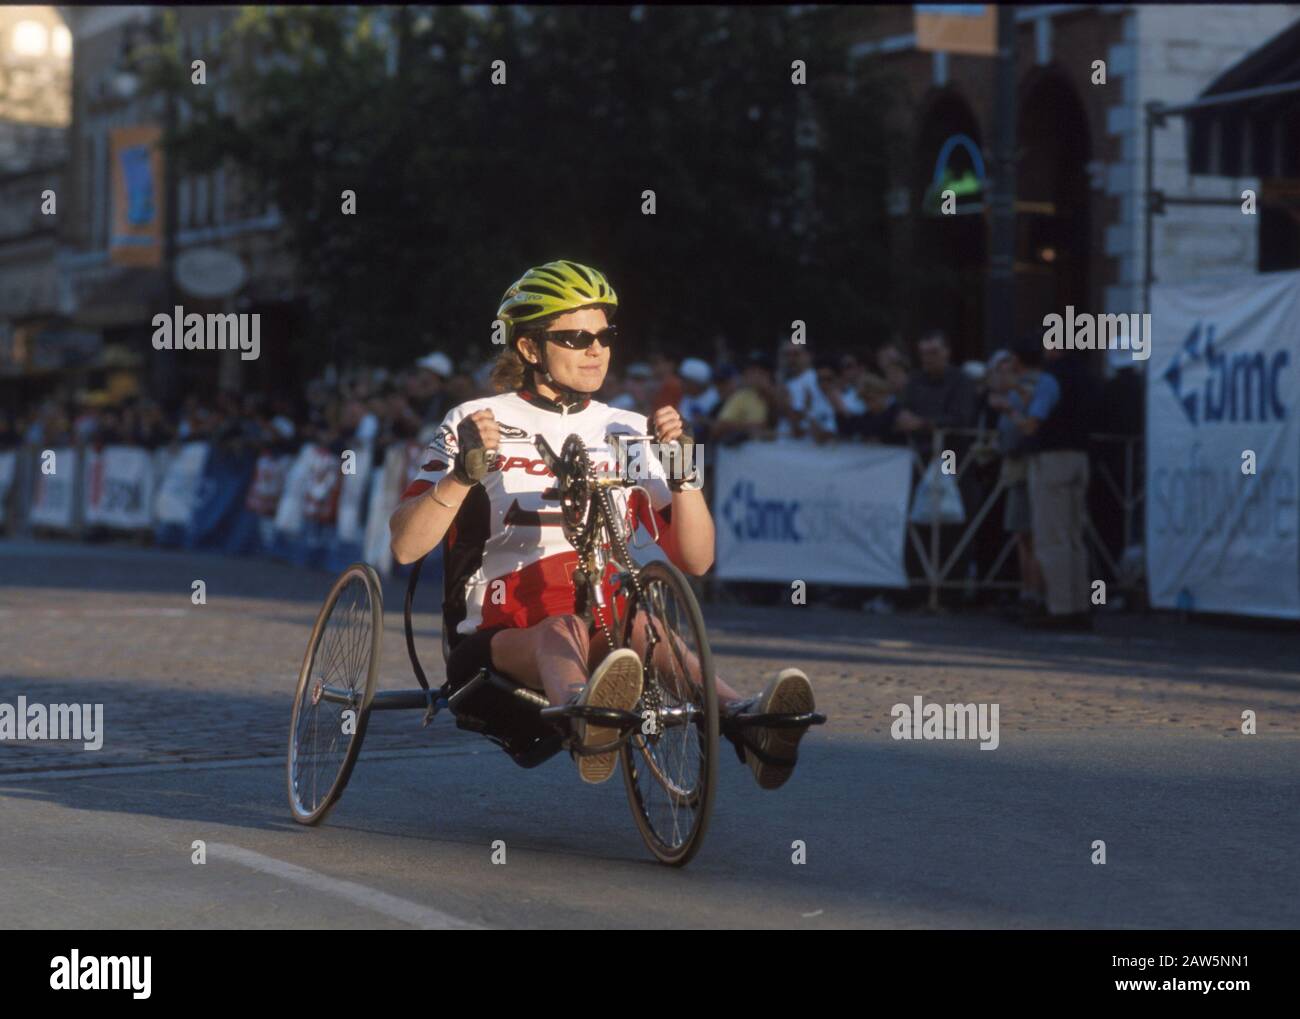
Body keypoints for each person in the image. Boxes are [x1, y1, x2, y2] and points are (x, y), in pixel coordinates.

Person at [388, 260, 817, 788]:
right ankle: (583, 714)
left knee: (645, 629)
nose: (596, 350)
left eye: (604, 335)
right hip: (495, 636)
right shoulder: (477, 419)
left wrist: (684, 476)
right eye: (576, 338)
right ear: (529, 347)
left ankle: (745, 719)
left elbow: (697, 559)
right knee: (560, 628)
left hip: (603, 623)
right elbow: (405, 547)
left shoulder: (629, 429)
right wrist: (460, 477)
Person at [1012, 339, 1099, 630]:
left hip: (1052, 458)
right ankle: (1080, 604)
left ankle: (1060, 607)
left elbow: (1033, 422)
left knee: (1052, 537)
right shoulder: (1087, 374)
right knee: (1074, 537)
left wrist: (1011, 410)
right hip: (1081, 457)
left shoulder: (1051, 377)